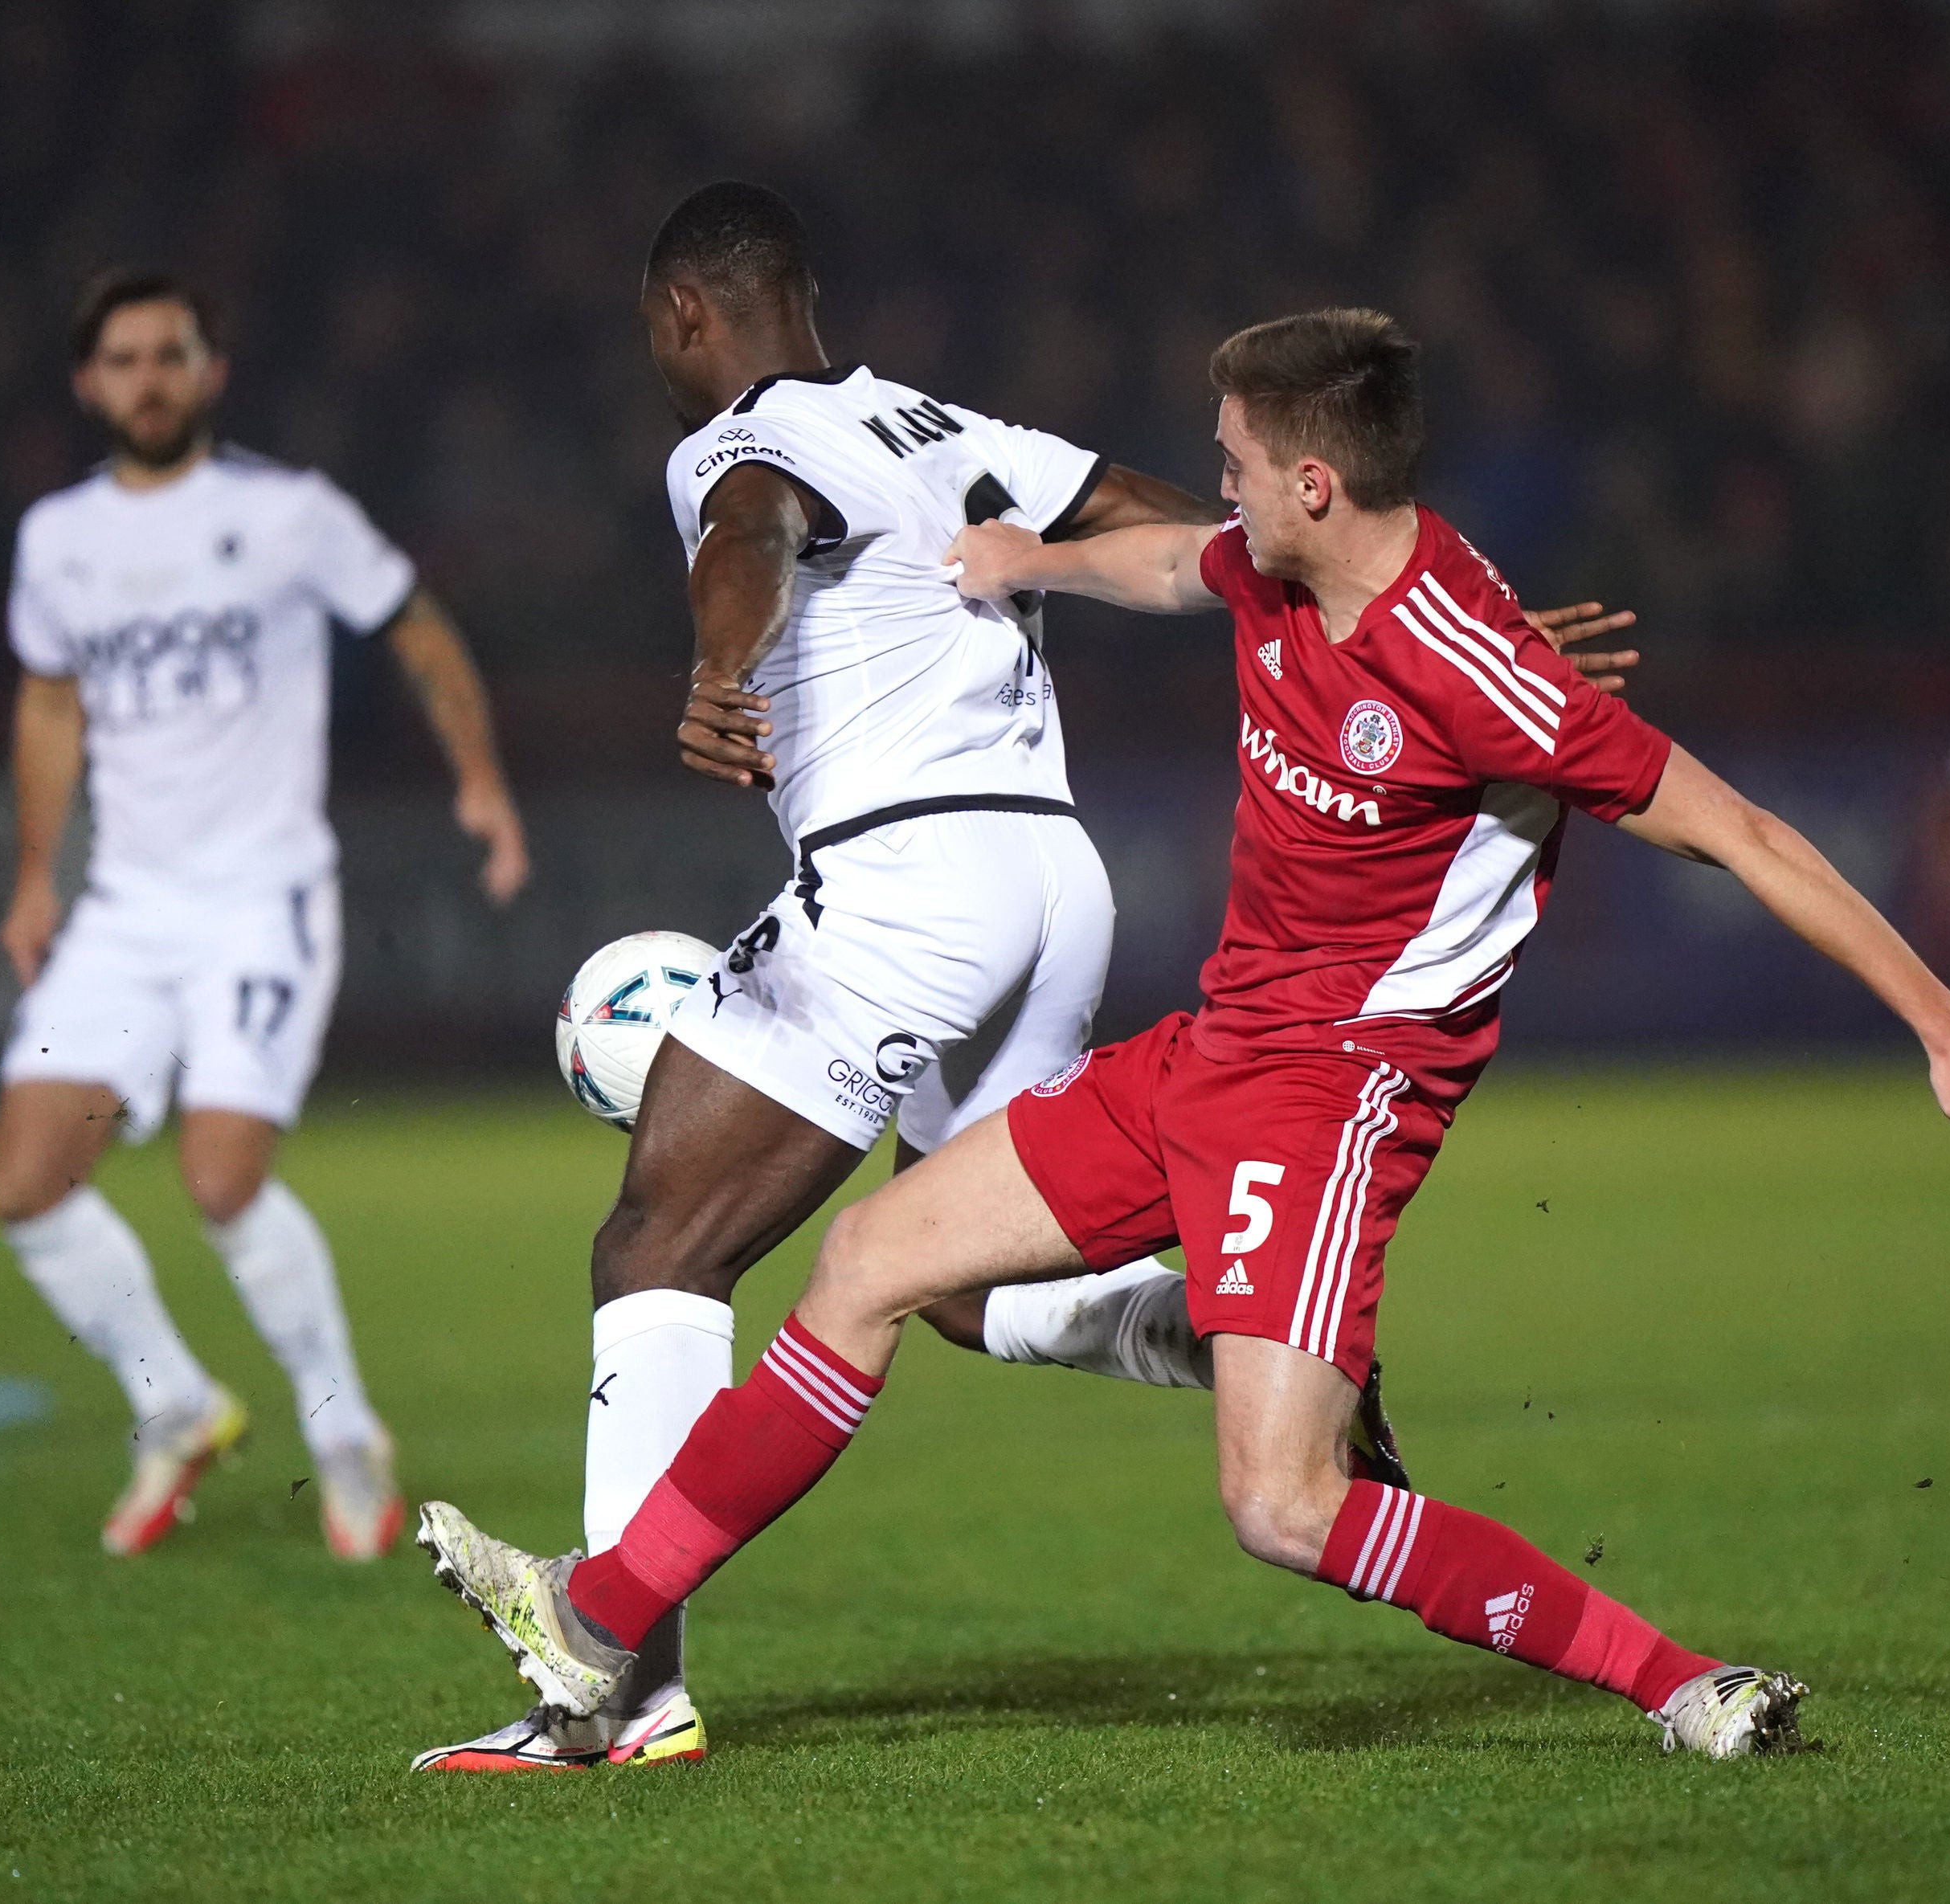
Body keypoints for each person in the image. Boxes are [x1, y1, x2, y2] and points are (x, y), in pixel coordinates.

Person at [415, 308, 1950, 1762]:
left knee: (1281, 1505)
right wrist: (1026, 565)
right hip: (1203, 1057)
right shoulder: (1277, 566)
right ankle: (595, 1616)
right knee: (867, 1270)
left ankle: (1682, 1683)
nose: (1211, 482)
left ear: (1313, 484)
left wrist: (1947, 1029)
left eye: (1231, 460)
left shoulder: (1471, 665)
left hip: (1333, 1100)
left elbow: (1753, 837)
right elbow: (1157, 561)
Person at [410, 186, 1636, 1775]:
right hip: (1047, 878)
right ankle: (1197, 1321)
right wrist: (1409, 613)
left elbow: (753, 526)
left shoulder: (729, 440)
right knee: (959, 1272)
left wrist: (717, 669)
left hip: (908, 881)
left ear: (686, 316)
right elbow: (1201, 530)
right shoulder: (941, 421)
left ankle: (617, 1692)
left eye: (659, 330)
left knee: (661, 1242)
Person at [0, 268, 532, 1563]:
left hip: (262, 899)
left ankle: (345, 1431)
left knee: (222, 1179)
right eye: (121, 360)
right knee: (26, 1183)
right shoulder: (57, 540)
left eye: (169, 354)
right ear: (88, 383)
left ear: (210, 370)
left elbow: (418, 632)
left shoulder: (289, 515)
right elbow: (51, 707)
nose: (148, 378)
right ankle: (174, 1403)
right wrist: (32, 873)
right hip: (127, 910)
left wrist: (482, 783)